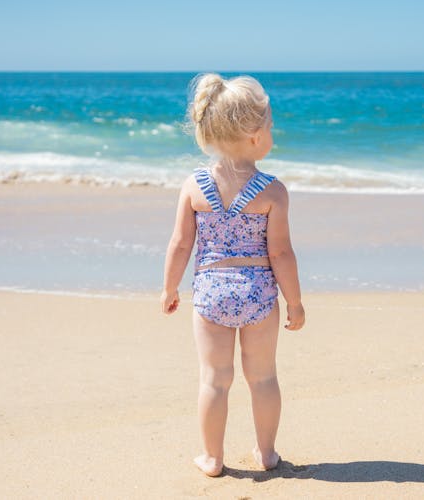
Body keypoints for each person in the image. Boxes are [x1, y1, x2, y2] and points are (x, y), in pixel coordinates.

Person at [160, 73, 305, 477]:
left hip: (210, 293)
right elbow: (280, 252)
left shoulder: (194, 185)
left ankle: (212, 458)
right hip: (258, 295)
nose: (273, 133)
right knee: (262, 379)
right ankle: (267, 453)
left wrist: (170, 287)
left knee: (214, 381)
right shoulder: (272, 191)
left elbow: (179, 244)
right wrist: (294, 301)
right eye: (271, 126)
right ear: (255, 136)